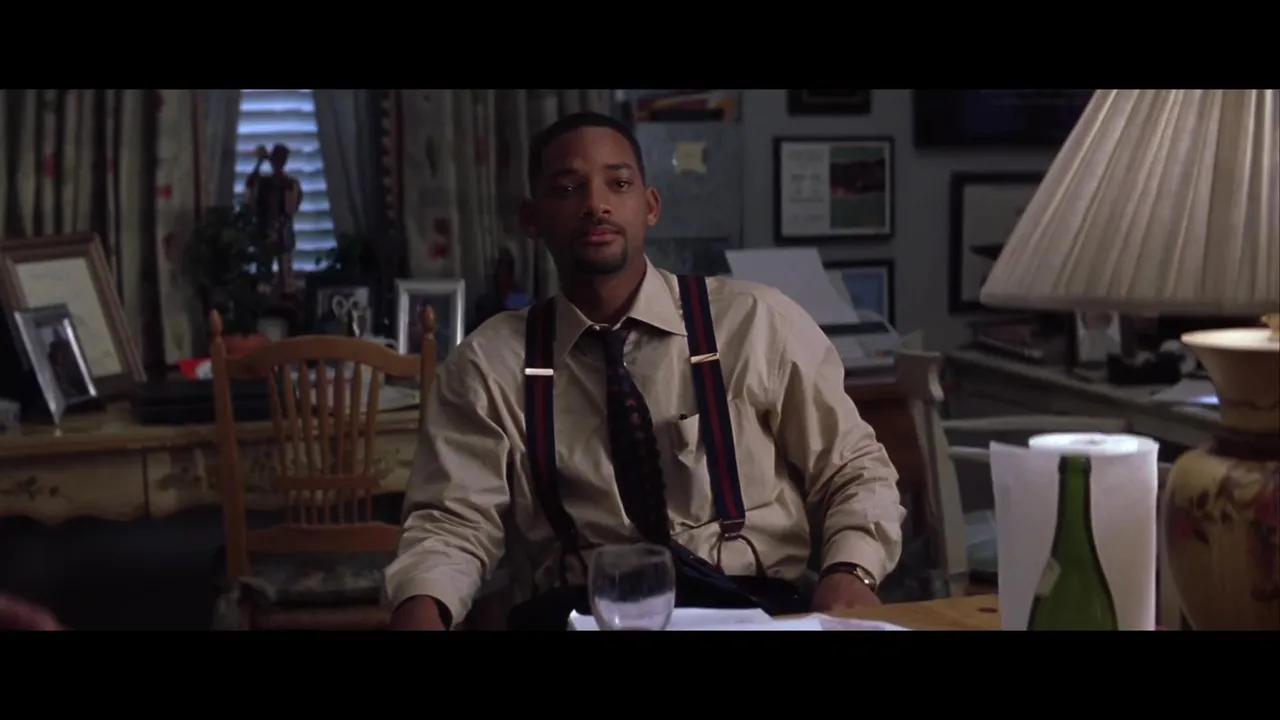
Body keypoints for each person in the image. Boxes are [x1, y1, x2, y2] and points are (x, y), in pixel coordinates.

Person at [386, 112, 905, 631]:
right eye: (567, 188)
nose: (596, 204)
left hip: (756, 609)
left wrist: (851, 570)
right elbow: (452, 522)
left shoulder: (755, 323)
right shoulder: (488, 365)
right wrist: (422, 605)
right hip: (578, 616)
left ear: (650, 206)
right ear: (530, 218)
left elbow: (852, 469)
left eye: (618, 184)